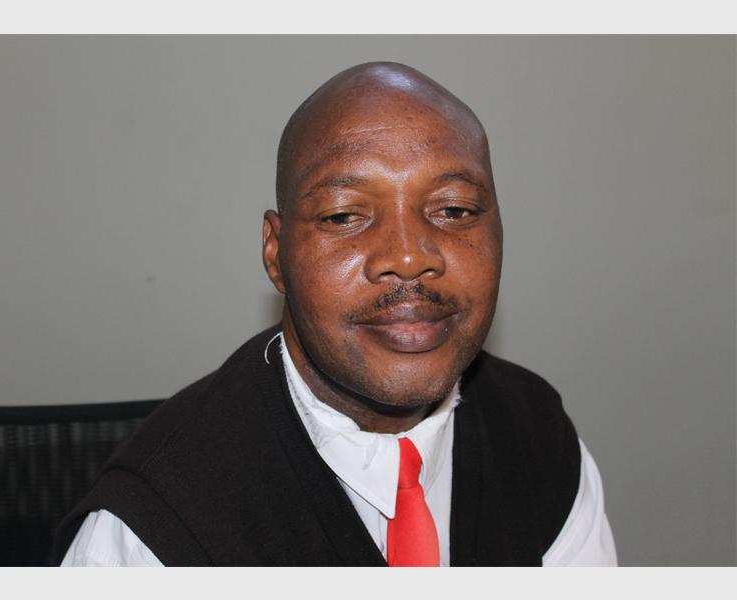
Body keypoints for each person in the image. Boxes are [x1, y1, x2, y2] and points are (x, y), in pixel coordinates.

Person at [54, 61, 617, 567]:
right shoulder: (153, 536)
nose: (408, 257)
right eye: (345, 215)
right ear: (276, 254)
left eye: (454, 209)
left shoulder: (538, 437)